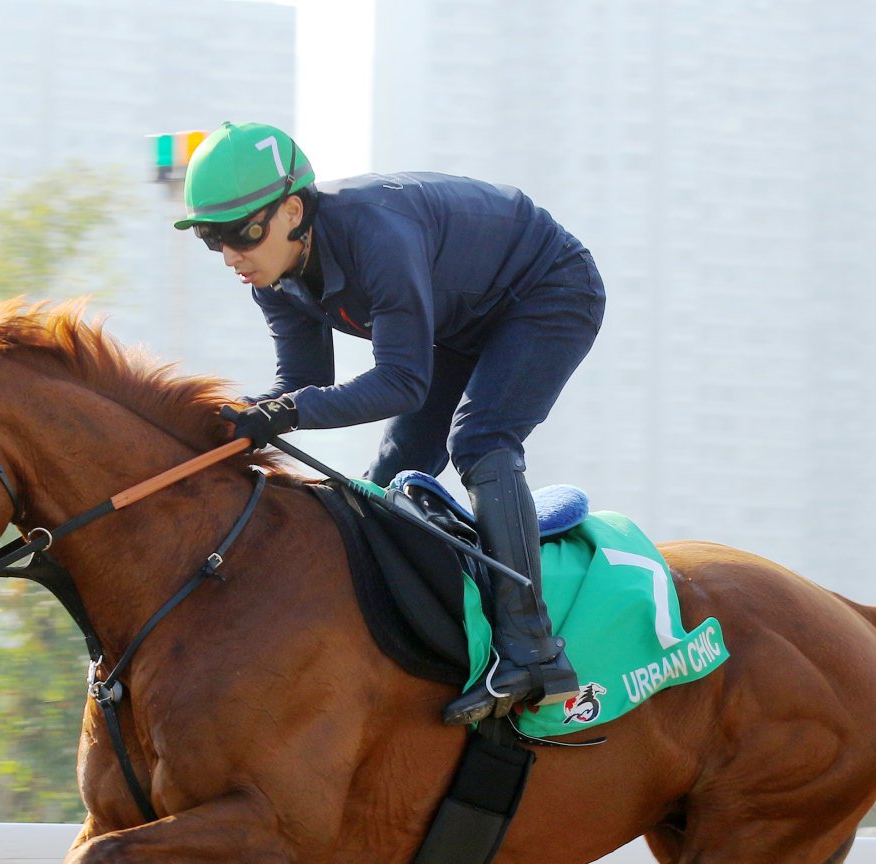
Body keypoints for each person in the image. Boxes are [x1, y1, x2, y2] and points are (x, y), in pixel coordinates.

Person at [175, 120, 604, 725]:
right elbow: (300, 386)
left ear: (293, 210)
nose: (230, 256)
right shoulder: (272, 278)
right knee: (384, 481)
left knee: (479, 440)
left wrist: (284, 412)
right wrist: (235, 420)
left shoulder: (377, 235)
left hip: (549, 287)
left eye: (242, 233)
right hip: (463, 319)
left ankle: (534, 651)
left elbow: (403, 383)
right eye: (211, 239)